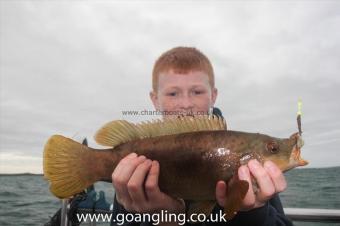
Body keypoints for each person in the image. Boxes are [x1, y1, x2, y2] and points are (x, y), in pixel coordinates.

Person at [111, 47, 293, 226]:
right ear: (155, 100)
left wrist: (253, 213)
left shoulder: (253, 168)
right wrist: (165, 219)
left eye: (197, 92)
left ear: (213, 96)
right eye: (172, 93)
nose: (186, 104)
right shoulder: (129, 171)